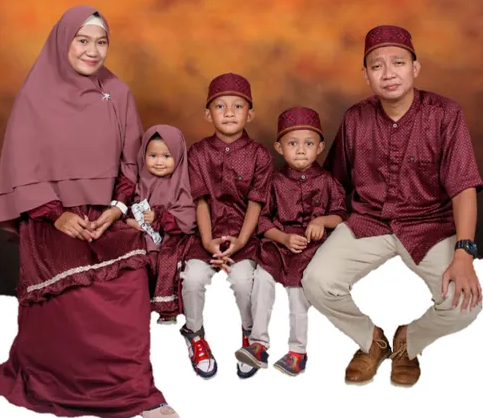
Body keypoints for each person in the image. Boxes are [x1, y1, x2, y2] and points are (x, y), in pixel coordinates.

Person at [0, 5, 179, 418]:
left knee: (130, 275)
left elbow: (132, 161)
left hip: (105, 215)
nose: (93, 51)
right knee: (68, 290)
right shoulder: (35, 95)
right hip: (49, 217)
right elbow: (22, 164)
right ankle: (55, 383)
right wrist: (55, 214)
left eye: (101, 42)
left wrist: (116, 209)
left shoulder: (118, 92)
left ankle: (135, 391)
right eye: (83, 40)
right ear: (63, 42)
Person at [302, 25, 483, 386]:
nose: (388, 73)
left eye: (398, 63)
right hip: (368, 221)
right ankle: (372, 342)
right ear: (366, 75)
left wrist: (465, 251)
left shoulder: (445, 114)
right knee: (316, 281)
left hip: (429, 224)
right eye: (377, 66)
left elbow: (463, 186)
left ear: (415, 68)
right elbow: (336, 182)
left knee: (465, 305)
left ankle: (407, 343)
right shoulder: (355, 118)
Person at [235, 107, 347, 376]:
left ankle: (298, 352)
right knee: (261, 280)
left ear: (320, 147)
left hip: (310, 250)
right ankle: (258, 344)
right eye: (292, 144)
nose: (301, 150)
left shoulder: (328, 181)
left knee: (298, 295)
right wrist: (283, 237)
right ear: (279, 147)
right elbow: (263, 221)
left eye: (308, 144)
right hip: (278, 246)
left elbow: (342, 215)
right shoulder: (274, 181)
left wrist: (322, 221)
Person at [180, 73, 273, 379]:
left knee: (245, 281)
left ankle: (250, 335)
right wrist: (208, 242)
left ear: (250, 114)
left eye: (238, 106)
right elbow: (200, 201)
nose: (229, 112)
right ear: (208, 114)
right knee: (192, 279)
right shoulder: (197, 153)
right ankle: (194, 334)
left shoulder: (260, 155)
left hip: (244, 236)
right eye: (220, 106)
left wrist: (241, 242)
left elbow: (256, 203)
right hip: (205, 234)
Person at [126, 124, 196, 324]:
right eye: (153, 156)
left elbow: (188, 218)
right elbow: (130, 205)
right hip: (143, 234)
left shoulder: (182, 182)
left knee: (165, 260)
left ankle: (167, 309)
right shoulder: (140, 181)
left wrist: (160, 217)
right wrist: (131, 220)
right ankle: (136, 308)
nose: (158, 162)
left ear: (178, 156)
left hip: (171, 237)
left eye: (166, 156)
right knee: (136, 258)